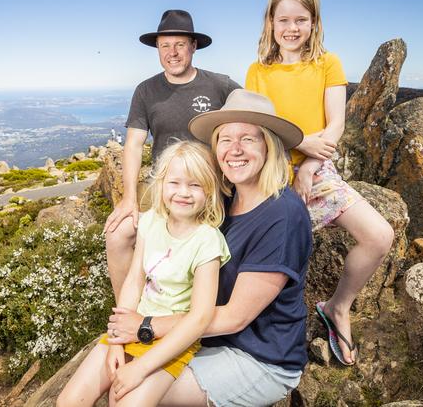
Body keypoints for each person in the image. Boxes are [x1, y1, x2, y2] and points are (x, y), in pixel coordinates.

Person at [108, 89, 313, 406]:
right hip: (208, 336)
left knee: (130, 390)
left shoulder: (281, 215)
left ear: (269, 146)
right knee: (122, 375)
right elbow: (164, 227)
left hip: (258, 356)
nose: (235, 149)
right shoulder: (226, 195)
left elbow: (234, 318)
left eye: (248, 139)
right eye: (225, 139)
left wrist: (146, 327)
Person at [245, 0, 394, 365]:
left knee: (379, 235)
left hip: (319, 168)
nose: (291, 28)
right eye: (284, 20)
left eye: (301, 19)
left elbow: (336, 125)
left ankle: (337, 307)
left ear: (314, 23)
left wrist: (311, 163)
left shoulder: (328, 64)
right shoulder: (257, 72)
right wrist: (299, 149)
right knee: (270, 255)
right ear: (270, 23)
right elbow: (259, 130)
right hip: (272, 171)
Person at [58, 141, 230, 406]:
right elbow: (134, 281)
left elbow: (200, 317)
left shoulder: (208, 241)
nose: (183, 192)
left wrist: (140, 367)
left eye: (195, 185)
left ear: (209, 191)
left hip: (171, 344)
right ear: (161, 184)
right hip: (130, 328)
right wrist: (116, 340)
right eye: (175, 183)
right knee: (69, 401)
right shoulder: (151, 221)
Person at [104, 9, 240, 299]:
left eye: (180, 44)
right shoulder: (146, 90)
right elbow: (134, 144)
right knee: (118, 235)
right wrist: (129, 198)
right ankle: (127, 311)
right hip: (165, 185)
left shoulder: (220, 85)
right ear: (157, 49)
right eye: (165, 45)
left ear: (193, 46)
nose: (172, 52)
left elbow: (251, 118)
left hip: (209, 186)